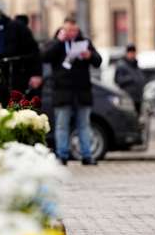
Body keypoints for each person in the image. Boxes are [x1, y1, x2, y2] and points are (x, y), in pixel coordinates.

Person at [42, 16, 102, 165]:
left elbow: (98, 61)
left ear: (77, 30)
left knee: (84, 125)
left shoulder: (85, 42)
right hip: (62, 92)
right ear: (63, 29)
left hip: (82, 92)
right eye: (68, 30)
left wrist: (90, 55)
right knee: (62, 125)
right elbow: (44, 56)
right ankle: (62, 155)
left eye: (73, 30)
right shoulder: (56, 43)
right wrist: (58, 41)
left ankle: (87, 155)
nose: (71, 33)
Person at [115, 44, 145, 113]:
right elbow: (118, 80)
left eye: (133, 52)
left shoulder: (135, 65)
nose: (132, 54)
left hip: (138, 98)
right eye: (130, 52)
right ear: (127, 53)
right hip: (128, 99)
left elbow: (141, 78)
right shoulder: (121, 65)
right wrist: (131, 78)